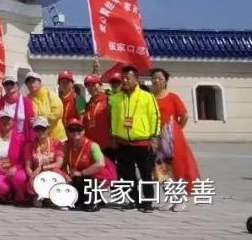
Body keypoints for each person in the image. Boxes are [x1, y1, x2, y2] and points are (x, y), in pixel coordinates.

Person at [110, 65, 160, 212]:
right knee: (127, 175)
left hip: (142, 142)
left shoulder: (147, 96)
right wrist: (113, 136)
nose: (125, 80)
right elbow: (114, 119)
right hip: (122, 142)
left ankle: (148, 202)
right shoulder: (117, 98)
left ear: (136, 79)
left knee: (146, 174)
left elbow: (155, 117)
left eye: (128, 78)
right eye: (123, 78)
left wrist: (154, 137)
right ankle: (134, 200)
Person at [150, 67, 199, 212]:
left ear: (165, 81)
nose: (156, 80)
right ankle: (170, 198)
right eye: (154, 78)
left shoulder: (173, 97)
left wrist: (176, 130)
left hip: (172, 138)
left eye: (160, 78)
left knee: (176, 169)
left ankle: (181, 199)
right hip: (155, 138)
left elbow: (184, 115)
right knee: (160, 169)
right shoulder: (149, 97)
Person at [63, 118, 115, 212]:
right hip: (78, 177)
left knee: (87, 182)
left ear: (84, 131)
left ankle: (95, 200)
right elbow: (63, 164)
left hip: (96, 176)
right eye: (71, 130)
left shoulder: (92, 145)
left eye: (78, 129)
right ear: (68, 132)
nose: (75, 132)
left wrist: (82, 173)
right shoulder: (67, 146)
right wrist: (66, 175)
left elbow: (100, 164)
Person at [0, 106, 28, 205]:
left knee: (20, 177)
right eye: (2, 120)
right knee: (0, 186)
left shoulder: (20, 137)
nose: (5, 122)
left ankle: (20, 196)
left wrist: (16, 167)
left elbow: (25, 158)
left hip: (15, 170)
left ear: (12, 121)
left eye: (8, 120)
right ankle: (5, 196)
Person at [23, 116, 65, 207]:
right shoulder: (29, 146)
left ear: (48, 129)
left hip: (51, 174)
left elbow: (59, 163)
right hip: (37, 175)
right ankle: (40, 194)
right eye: (37, 129)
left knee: (57, 171)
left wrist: (42, 167)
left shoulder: (56, 143)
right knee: (37, 205)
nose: (40, 132)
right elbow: (28, 166)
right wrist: (33, 177)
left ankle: (56, 196)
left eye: (43, 129)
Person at [25, 71, 65, 141]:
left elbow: (58, 113)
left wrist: (41, 119)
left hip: (56, 136)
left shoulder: (50, 94)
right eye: (28, 82)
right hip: (40, 138)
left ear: (40, 82)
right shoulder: (27, 99)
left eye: (33, 81)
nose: (31, 84)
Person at [81, 74, 112, 160]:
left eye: (94, 84)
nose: (91, 88)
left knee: (108, 168)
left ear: (100, 85)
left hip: (106, 145)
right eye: (88, 86)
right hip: (92, 145)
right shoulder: (88, 104)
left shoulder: (109, 99)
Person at [0, 74, 36, 141]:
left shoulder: (25, 101)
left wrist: (31, 141)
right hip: (6, 140)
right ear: (3, 86)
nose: (9, 86)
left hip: (23, 140)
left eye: (12, 83)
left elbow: (31, 124)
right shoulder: (0, 103)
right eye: (6, 84)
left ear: (17, 85)